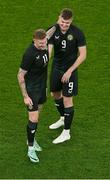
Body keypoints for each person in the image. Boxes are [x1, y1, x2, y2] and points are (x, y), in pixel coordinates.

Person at [48, 8, 87, 144]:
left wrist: (70, 71)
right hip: (56, 68)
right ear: (59, 18)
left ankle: (66, 133)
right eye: (63, 22)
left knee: (67, 100)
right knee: (55, 94)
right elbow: (49, 48)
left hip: (70, 71)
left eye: (67, 23)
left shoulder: (77, 33)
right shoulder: (52, 29)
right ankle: (63, 118)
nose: (64, 25)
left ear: (71, 22)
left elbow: (83, 55)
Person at [17, 27, 55, 163]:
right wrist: (25, 96)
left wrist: (57, 24)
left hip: (41, 87)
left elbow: (50, 33)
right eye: (40, 43)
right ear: (34, 41)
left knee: (37, 116)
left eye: (44, 42)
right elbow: (20, 75)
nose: (43, 45)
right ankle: (30, 148)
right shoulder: (29, 54)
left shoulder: (45, 41)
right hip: (32, 89)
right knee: (33, 119)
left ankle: (31, 140)